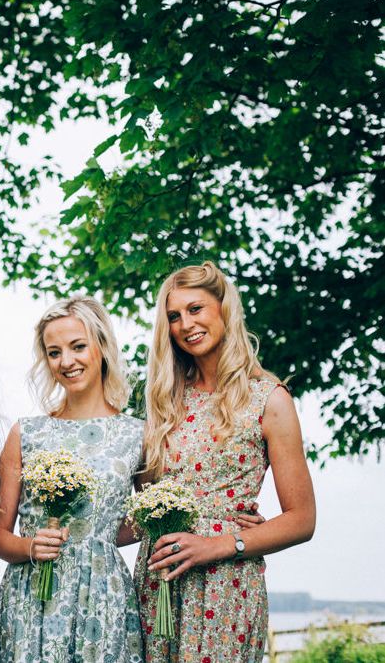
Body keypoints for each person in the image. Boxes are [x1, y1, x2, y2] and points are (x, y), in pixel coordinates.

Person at [133, 261, 316, 662]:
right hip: (158, 582)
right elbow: (140, 509)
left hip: (225, 585)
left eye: (195, 309)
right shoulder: (166, 402)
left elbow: (302, 519)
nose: (185, 324)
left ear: (224, 308)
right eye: (174, 316)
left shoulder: (269, 399)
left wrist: (220, 542)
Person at [0, 296, 144, 662]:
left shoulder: (137, 434)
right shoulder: (27, 433)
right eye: (54, 352)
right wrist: (30, 547)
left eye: (77, 347)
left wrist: (95, 539)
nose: (67, 362)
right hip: (32, 598)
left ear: (101, 346)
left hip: (103, 598)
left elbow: (150, 519)